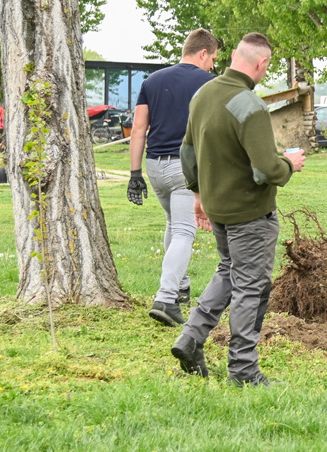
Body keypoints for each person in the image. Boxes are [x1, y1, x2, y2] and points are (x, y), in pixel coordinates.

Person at [170, 33, 306, 386]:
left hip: (217, 208)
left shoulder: (204, 94)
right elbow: (265, 171)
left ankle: (190, 337)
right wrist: (290, 163)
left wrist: (198, 194)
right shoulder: (250, 105)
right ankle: (244, 371)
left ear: (233, 55)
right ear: (261, 64)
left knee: (229, 270)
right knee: (250, 288)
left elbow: (187, 153)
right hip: (250, 216)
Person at [128, 28, 221, 327]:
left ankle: (180, 289)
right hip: (185, 168)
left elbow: (139, 129)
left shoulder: (152, 81)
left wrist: (134, 173)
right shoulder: (210, 84)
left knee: (173, 223)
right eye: (213, 59)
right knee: (184, 231)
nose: (213, 66)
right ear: (203, 53)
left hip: (155, 167)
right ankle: (166, 298)